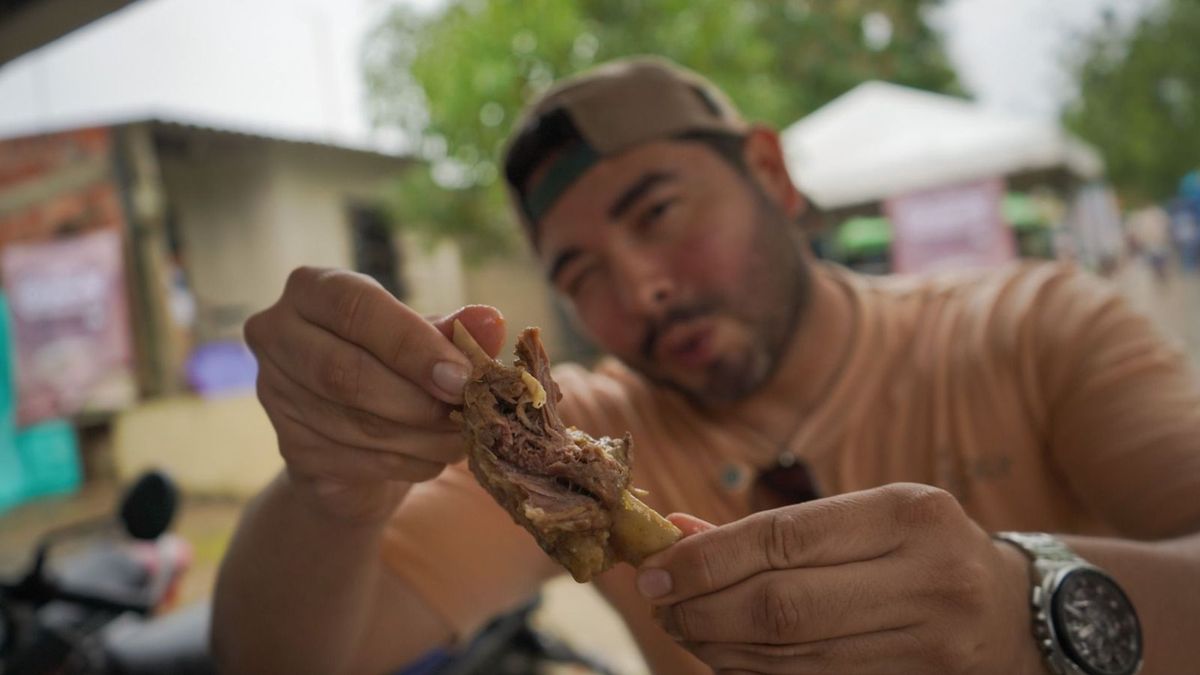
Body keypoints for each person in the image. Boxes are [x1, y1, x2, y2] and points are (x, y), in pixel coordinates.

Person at [211, 58, 1200, 674]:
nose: (638, 288)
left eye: (659, 214)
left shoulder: (1034, 325)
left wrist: (1029, 605)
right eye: (583, 271)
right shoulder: (578, 445)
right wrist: (330, 488)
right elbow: (286, 657)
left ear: (769, 174)